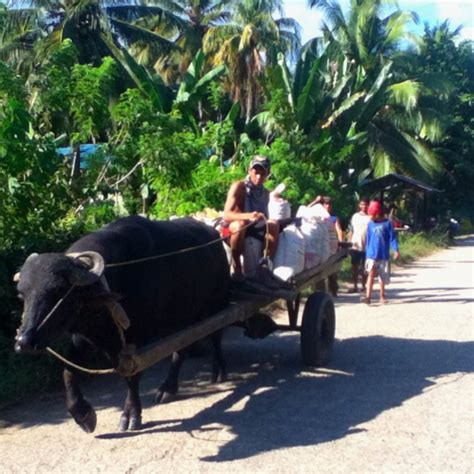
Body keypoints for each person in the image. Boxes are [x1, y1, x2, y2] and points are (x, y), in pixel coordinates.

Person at [222, 155, 279, 278]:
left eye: (262, 174)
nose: (258, 177)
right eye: (256, 172)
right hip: (235, 229)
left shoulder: (265, 193)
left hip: (254, 229)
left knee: (274, 225)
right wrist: (248, 216)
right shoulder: (239, 187)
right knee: (239, 225)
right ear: (249, 171)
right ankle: (237, 267)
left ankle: (265, 265)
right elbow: (226, 215)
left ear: (267, 174)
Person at [362, 200, 400, 305]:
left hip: (383, 254)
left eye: (372, 215)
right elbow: (368, 239)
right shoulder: (370, 224)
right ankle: (368, 297)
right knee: (371, 273)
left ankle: (382, 296)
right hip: (371, 254)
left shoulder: (387, 223)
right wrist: (367, 254)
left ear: (377, 214)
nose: (370, 217)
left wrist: (396, 250)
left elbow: (392, 238)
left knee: (382, 277)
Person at [347, 197, 371, 293]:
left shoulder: (370, 217)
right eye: (362, 204)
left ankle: (364, 286)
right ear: (359, 205)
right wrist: (348, 243)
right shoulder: (355, 216)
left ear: (368, 205)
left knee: (365, 267)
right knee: (354, 267)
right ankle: (355, 286)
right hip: (355, 245)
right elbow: (351, 231)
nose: (364, 206)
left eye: (365, 204)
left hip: (367, 246)